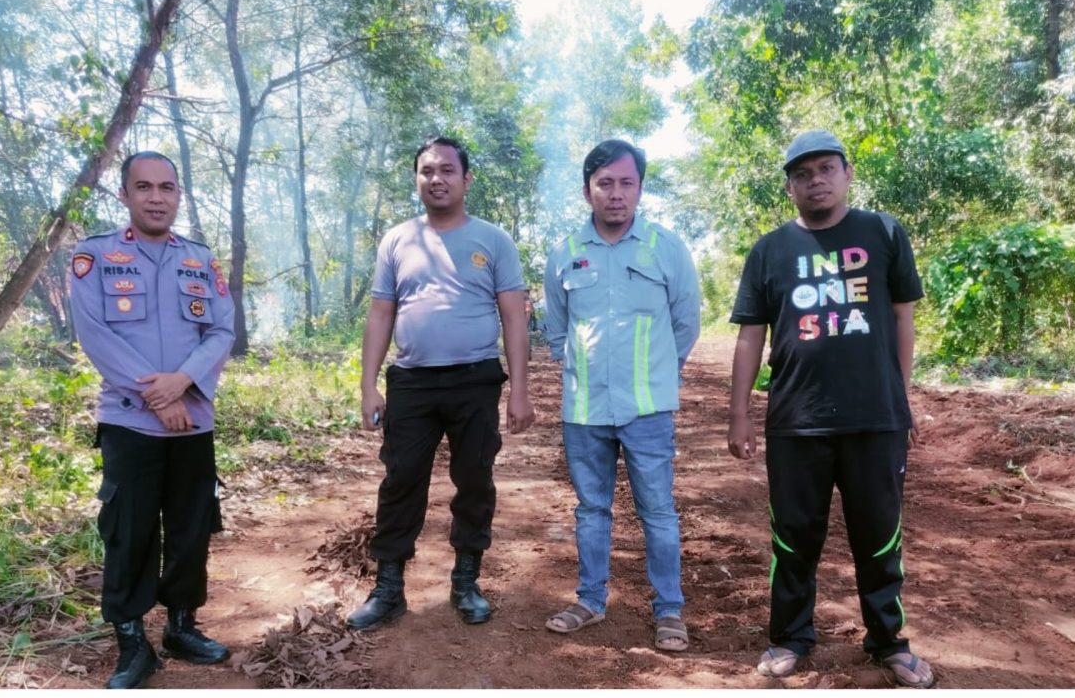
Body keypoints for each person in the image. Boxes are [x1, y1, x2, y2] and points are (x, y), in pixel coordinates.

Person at [725, 132, 935, 689]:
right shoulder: (769, 250)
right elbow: (750, 336)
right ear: (790, 186)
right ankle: (789, 638)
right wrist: (739, 413)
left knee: (879, 535)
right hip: (796, 419)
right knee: (793, 537)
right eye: (802, 173)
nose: (815, 179)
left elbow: (903, 319)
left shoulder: (884, 232)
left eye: (825, 168)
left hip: (875, 418)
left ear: (846, 174)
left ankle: (889, 641)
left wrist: (902, 396)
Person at [349, 137, 533, 631]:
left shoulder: (493, 241)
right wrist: (369, 386)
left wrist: (520, 388)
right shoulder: (397, 240)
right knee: (400, 479)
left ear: (466, 179)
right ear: (417, 179)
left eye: (448, 170)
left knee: (474, 480)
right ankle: (389, 589)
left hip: (475, 380)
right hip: (411, 383)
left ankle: (466, 581)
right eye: (427, 170)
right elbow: (381, 313)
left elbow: (514, 318)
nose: (437, 178)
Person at [67, 153, 235, 688]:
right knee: (130, 530)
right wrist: (159, 398)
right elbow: (95, 334)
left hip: (195, 420)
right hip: (131, 421)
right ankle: (132, 643)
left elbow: (222, 333)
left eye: (166, 187)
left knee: (191, 527)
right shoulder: (95, 256)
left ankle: (182, 626)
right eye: (144, 187)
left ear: (179, 195)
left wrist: (183, 382)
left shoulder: (201, 262)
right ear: (126, 195)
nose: (156, 197)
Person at [537, 140, 701, 653]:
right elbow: (557, 332)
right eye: (604, 183)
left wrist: (658, 372)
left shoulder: (665, 247)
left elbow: (686, 322)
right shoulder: (565, 252)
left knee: (658, 510)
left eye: (626, 183)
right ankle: (590, 599)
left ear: (639, 188)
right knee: (591, 509)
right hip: (584, 408)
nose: (615, 194)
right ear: (587, 190)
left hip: (648, 407)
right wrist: (583, 370)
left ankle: (669, 609)